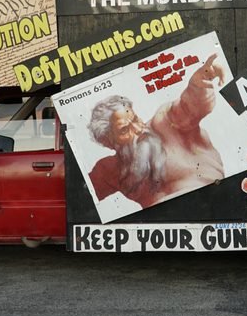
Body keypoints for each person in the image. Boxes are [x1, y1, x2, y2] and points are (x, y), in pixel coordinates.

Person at [86, 53, 226, 208]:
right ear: (108, 142)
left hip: (213, 205)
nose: (139, 129)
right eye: (125, 130)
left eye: (135, 119)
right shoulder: (110, 169)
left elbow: (191, 105)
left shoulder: (163, 122)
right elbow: (80, 197)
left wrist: (200, 83)